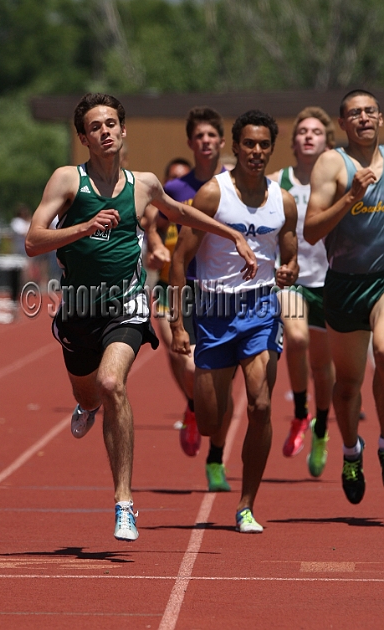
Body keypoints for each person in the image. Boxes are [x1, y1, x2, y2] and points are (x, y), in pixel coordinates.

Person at [25, 92, 257, 542]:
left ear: (123, 130)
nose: (105, 131)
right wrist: (84, 228)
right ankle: (86, 404)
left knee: (113, 383)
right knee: (90, 390)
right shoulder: (68, 181)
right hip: (78, 306)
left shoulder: (144, 183)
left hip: (127, 303)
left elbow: (180, 211)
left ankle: (124, 503)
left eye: (112, 123)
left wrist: (232, 234)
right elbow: (34, 241)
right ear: (83, 137)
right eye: (95, 126)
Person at [170, 109, 298, 532]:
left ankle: (246, 505)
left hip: (261, 309)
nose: (257, 152)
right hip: (213, 312)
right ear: (236, 147)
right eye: (249, 144)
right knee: (211, 421)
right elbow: (180, 257)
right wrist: (176, 322)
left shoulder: (284, 200)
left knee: (261, 405)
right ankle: (197, 412)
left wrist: (290, 269)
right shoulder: (212, 194)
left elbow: (289, 248)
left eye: (264, 145)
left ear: (270, 148)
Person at [147, 108, 236, 493]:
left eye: (211, 135)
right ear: (190, 142)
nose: (204, 141)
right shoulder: (177, 187)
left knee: (223, 385)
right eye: (198, 135)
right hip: (180, 288)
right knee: (185, 363)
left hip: (224, 292)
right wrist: (154, 246)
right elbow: (152, 221)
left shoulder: (234, 185)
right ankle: (194, 406)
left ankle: (216, 458)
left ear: (220, 141)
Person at [304, 89, 384, 504]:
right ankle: (352, 450)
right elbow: (312, 231)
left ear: (381, 119)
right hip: (344, 284)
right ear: (343, 124)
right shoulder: (332, 164)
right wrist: (351, 196)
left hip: (382, 281)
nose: (364, 118)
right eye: (355, 113)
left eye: (371, 111)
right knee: (348, 384)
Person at [268, 107, 336, 477]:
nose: (308, 136)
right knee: (295, 339)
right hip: (291, 279)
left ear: (328, 140)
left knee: (323, 367)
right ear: (293, 141)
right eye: (302, 131)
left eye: (316, 132)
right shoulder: (279, 181)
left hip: (330, 280)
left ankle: (322, 429)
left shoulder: (340, 179)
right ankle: (299, 414)